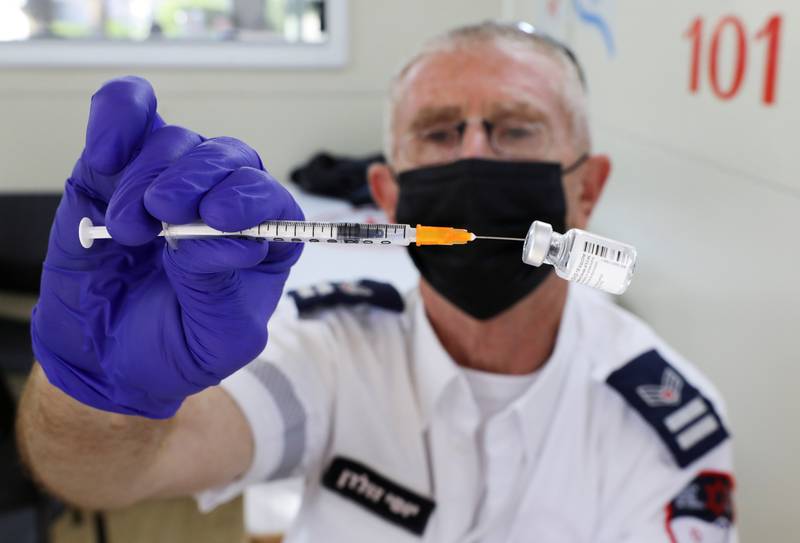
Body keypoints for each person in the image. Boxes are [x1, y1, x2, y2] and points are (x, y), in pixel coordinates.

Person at [17, 22, 736, 542]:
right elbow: (100, 479)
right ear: (387, 197)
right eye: (440, 131)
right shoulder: (327, 350)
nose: (475, 155)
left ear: (588, 189)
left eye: (516, 129)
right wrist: (89, 389)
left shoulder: (666, 423)